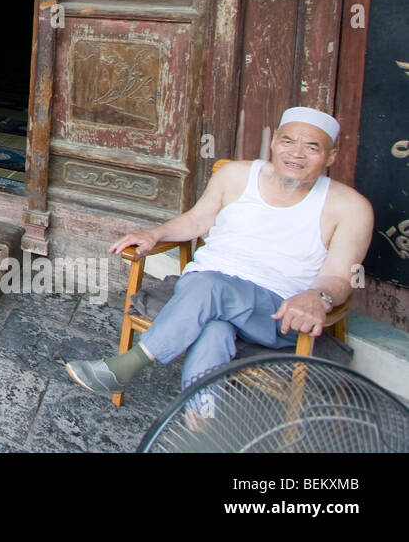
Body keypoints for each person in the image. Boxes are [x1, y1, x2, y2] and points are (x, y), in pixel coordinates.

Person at [65, 106, 374, 403]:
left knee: (210, 287)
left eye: (311, 147)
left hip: (275, 311)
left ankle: (128, 366)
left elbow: (338, 276)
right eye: (288, 141)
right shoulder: (235, 176)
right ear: (275, 141)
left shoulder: (350, 207)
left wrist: (319, 296)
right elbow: (197, 220)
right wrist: (154, 234)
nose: (296, 153)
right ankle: (201, 424)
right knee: (214, 329)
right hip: (201, 289)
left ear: (331, 156)